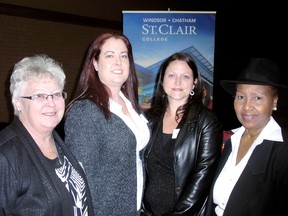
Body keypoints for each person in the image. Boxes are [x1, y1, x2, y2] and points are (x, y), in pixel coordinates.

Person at [64, 32, 150, 215]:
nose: (118, 62)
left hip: (134, 209)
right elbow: (79, 180)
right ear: (95, 63)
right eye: (109, 55)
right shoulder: (85, 110)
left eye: (124, 56)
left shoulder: (130, 105)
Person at [0, 55, 95, 216]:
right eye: (39, 95)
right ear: (17, 102)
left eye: (56, 94)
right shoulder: (5, 155)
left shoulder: (58, 143)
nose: (51, 103)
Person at [141, 52, 223, 216]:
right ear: (162, 80)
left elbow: (204, 175)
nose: (178, 82)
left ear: (194, 83)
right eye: (171, 75)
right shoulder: (150, 119)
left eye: (185, 76)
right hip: (148, 211)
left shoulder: (206, 120)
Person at [204, 58, 288, 216]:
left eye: (257, 98)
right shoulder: (232, 140)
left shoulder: (282, 151)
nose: (247, 106)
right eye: (241, 97)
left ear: (274, 101)